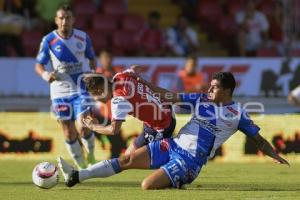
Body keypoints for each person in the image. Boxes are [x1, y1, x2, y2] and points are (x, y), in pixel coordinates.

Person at [58, 71, 289, 189]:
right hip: (172, 144)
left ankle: (177, 182)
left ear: (228, 91)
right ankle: (76, 176)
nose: (210, 88)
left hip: (190, 161)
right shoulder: (201, 99)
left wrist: (274, 155)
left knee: (146, 186)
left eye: (215, 87)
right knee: (126, 159)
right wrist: (145, 84)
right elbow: (168, 96)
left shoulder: (237, 114)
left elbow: (257, 139)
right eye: (210, 84)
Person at [35, 4, 97, 169]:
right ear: (56, 20)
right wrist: (46, 75)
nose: (64, 21)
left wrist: (91, 72)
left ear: (73, 20)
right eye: (61, 18)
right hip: (59, 92)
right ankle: (82, 165)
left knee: (83, 126)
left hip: (80, 89)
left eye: (68, 18)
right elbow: (39, 65)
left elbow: (92, 59)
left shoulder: (83, 37)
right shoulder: (48, 40)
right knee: (69, 132)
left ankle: (91, 156)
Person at [81, 69, 176, 155]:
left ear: (100, 91)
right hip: (167, 110)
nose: (95, 100)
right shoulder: (120, 76)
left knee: (133, 159)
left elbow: (114, 130)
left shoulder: (118, 101)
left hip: (161, 126)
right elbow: (136, 67)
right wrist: (135, 75)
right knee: (128, 157)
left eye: (93, 96)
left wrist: (93, 126)